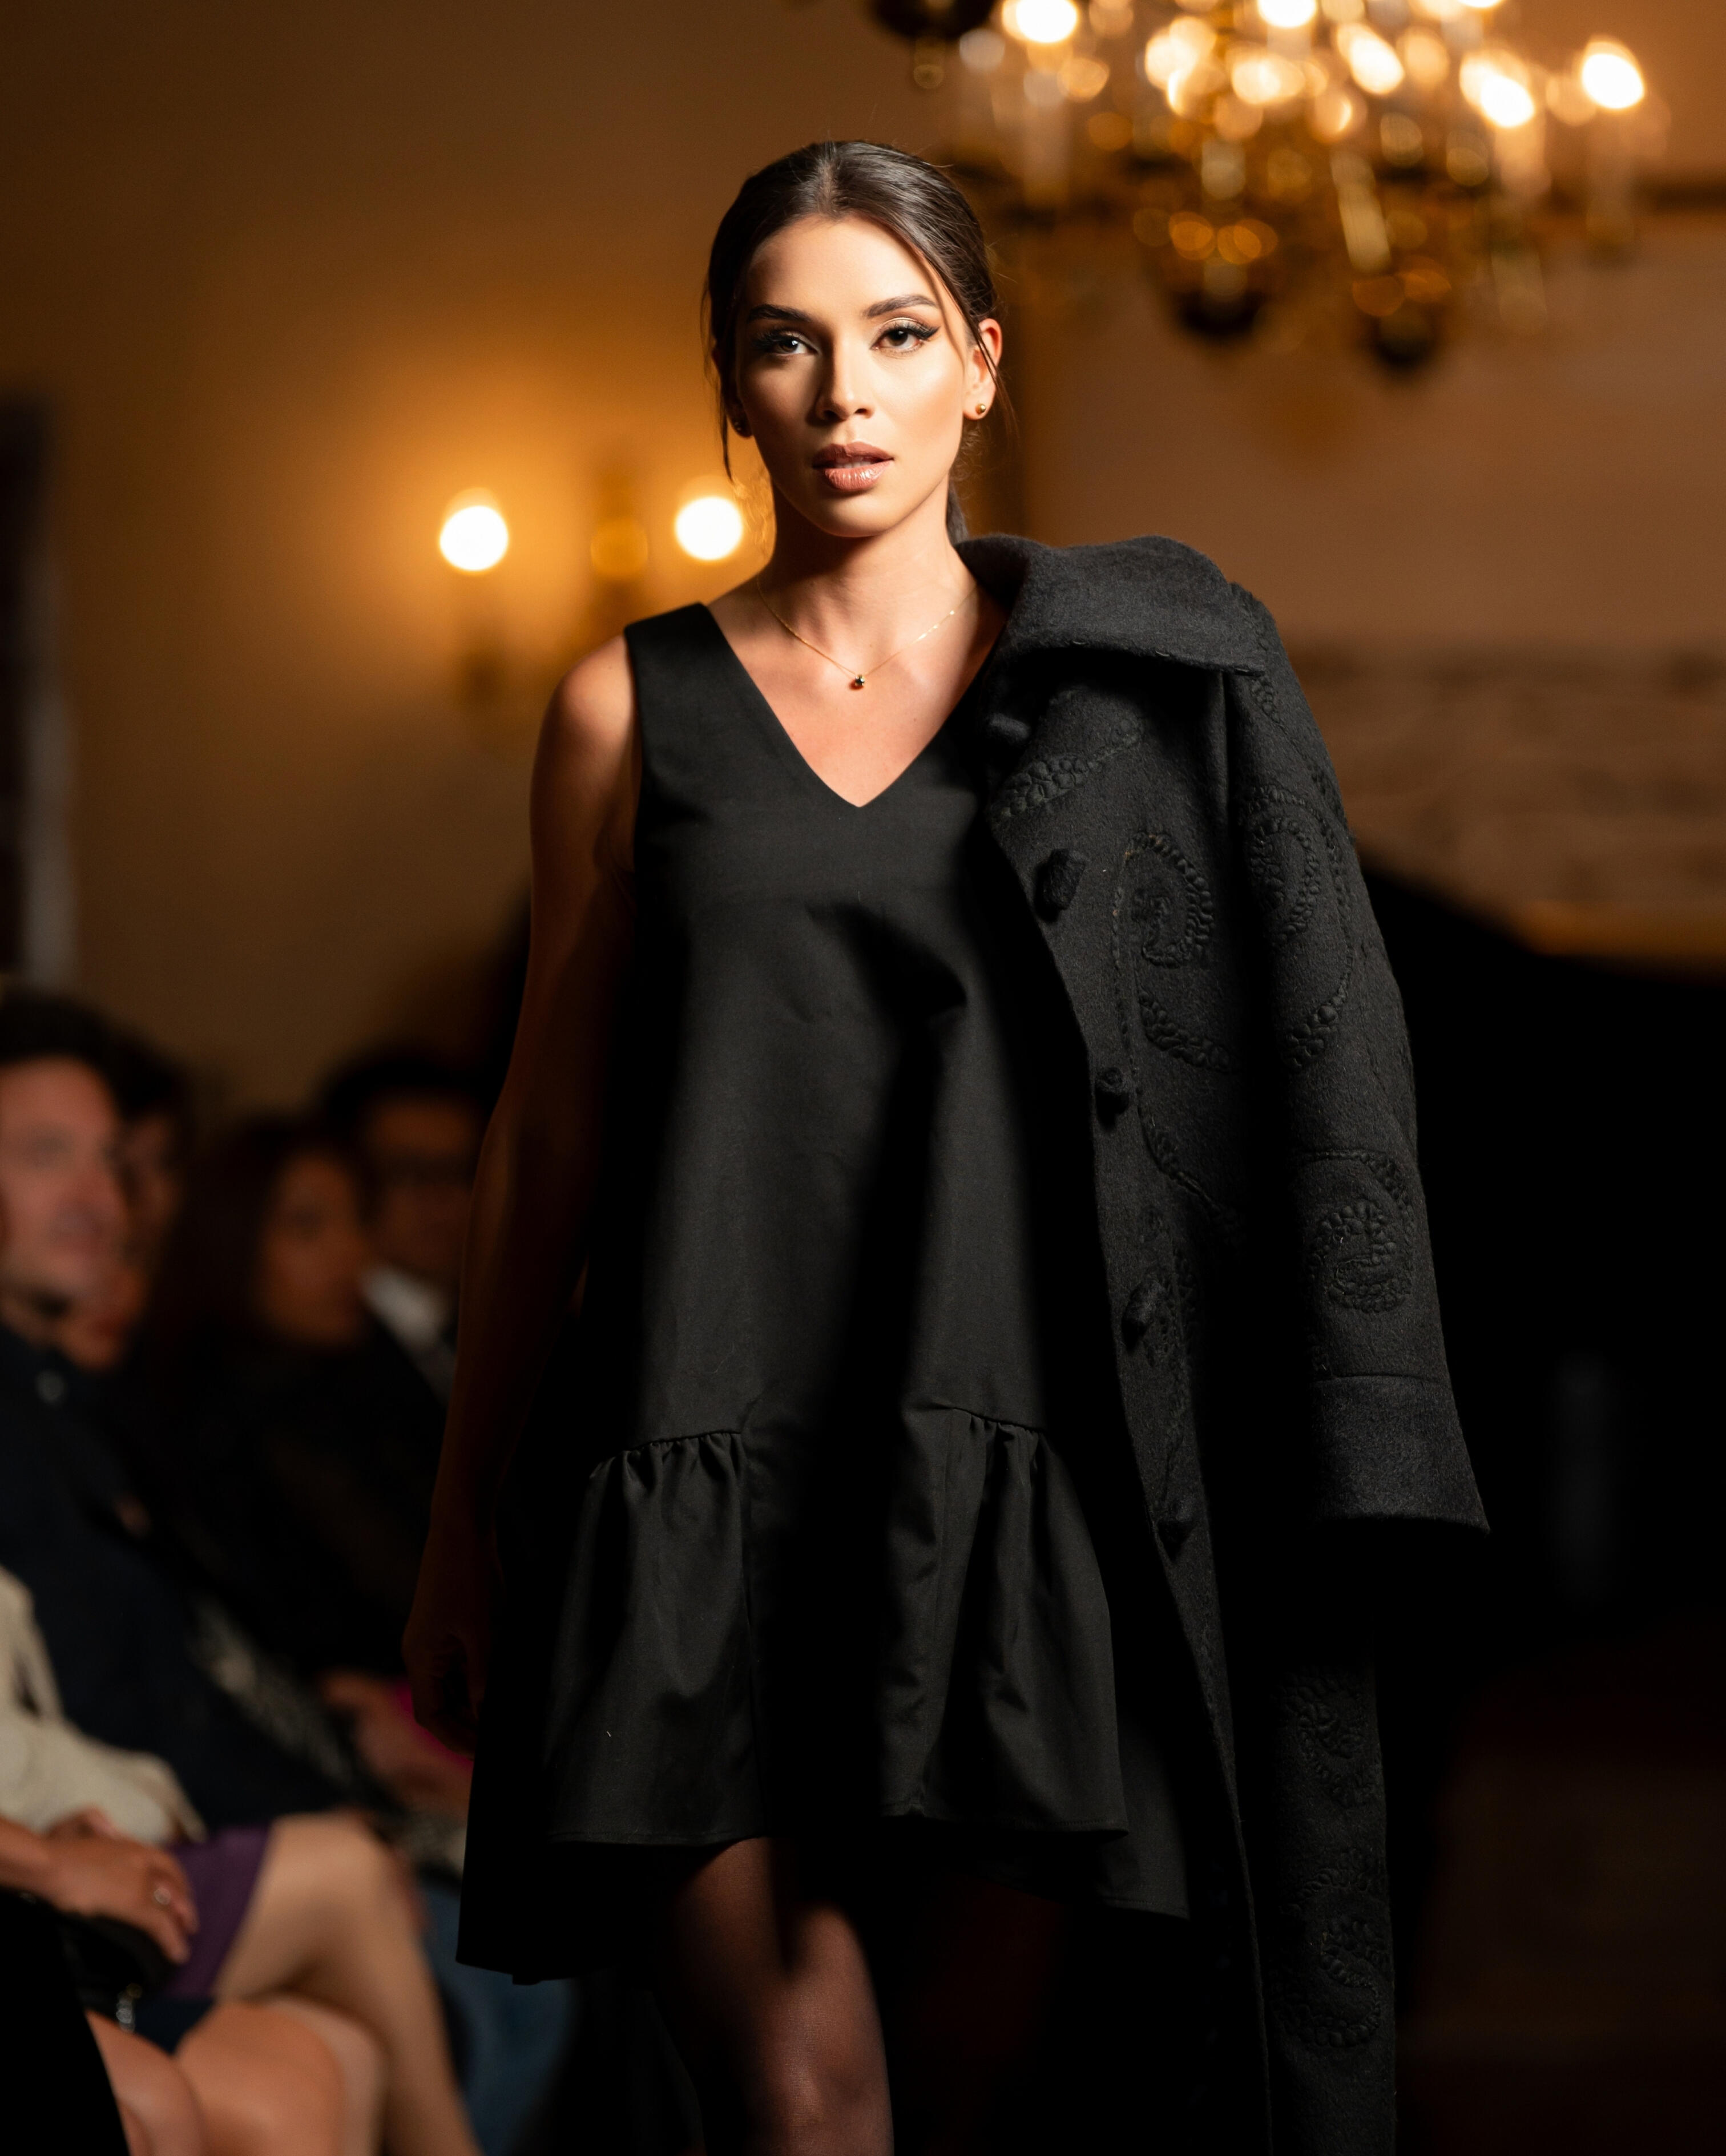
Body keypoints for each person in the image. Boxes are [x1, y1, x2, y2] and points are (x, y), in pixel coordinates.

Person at [406, 141, 1484, 2156]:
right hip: (690, 1476)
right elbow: (547, 1129)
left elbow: (1269, 1085)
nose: (846, 392)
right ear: (729, 383)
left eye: (897, 335)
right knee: (799, 2100)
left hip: (1011, 1497)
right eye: (786, 343)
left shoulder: (1122, 709)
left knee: (978, 2098)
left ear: (981, 364)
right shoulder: (620, 710)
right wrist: (468, 1511)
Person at [0, 1006, 482, 2156]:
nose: (104, 1198)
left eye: (112, 1161)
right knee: (352, 1886)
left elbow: (181, 1672)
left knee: (328, 2056)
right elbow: (124, 1700)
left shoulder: (72, 1406)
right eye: (47, 1154)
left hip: (107, 1814)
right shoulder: (70, 1413)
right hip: (89, 1837)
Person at [138, 1118, 445, 1683]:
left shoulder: (374, 1370)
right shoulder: (200, 1421)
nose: (351, 1252)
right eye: (307, 1226)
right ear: (232, 1237)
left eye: (360, 1220)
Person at [320, 1053, 485, 1404]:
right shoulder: (319, 1340)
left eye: (462, 1171)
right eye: (409, 1172)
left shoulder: (521, 1332)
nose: (442, 1197)